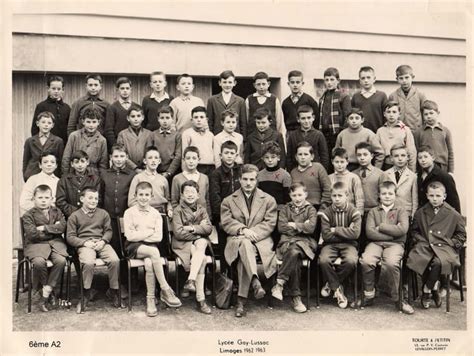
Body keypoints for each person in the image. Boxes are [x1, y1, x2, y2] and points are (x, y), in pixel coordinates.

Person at [221, 164, 278, 317]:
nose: (248, 183)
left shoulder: (268, 200)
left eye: (252, 179)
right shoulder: (228, 200)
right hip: (236, 239)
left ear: (256, 180)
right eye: (245, 179)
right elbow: (226, 222)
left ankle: (241, 301)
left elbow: (270, 223)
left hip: (261, 240)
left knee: (244, 252)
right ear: (239, 179)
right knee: (244, 245)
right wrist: (242, 230)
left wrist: (252, 233)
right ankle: (254, 281)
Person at [123, 181, 181, 317]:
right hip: (133, 248)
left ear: (151, 196)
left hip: (150, 246)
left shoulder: (156, 214)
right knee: (154, 252)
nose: (143, 198)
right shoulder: (129, 212)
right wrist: (148, 233)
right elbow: (130, 236)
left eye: (147, 195)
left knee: (149, 263)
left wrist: (140, 234)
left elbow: (158, 237)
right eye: (141, 194)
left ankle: (151, 301)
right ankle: (165, 289)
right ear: (135, 196)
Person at [407, 181, 466, 309]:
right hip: (425, 245)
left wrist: (450, 243)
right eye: (432, 196)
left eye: (438, 196)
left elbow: (461, 235)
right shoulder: (420, 212)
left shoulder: (453, 214)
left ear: (444, 196)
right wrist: (420, 240)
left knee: (438, 262)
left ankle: (427, 289)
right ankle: (434, 288)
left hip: (444, 247)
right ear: (427, 196)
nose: (434, 199)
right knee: (422, 259)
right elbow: (414, 231)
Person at [360, 181, 414, 314]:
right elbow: (370, 232)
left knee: (391, 263)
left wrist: (382, 227)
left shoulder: (401, 210)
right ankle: (369, 294)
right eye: (384, 193)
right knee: (366, 260)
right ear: (379, 195)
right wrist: (392, 235)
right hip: (375, 244)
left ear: (395, 195)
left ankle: (398, 298)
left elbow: (403, 229)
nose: (387, 196)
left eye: (390, 193)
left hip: (395, 245)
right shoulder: (373, 211)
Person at [66, 188, 123, 313]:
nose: (93, 201)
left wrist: (103, 241)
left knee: (114, 260)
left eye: (96, 198)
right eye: (90, 198)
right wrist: (85, 243)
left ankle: (113, 290)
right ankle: (86, 293)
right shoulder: (74, 216)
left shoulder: (103, 214)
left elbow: (108, 231)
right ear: (82, 199)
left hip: (101, 242)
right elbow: (70, 237)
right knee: (88, 263)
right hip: (85, 244)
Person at [270, 182, 317, 313]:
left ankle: (279, 284)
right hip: (288, 243)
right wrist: (302, 226)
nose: (297, 198)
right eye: (294, 195)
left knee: (294, 251)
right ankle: (296, 298)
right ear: (290, 195)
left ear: (306, 194)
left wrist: (293, 225)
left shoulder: (311, 209)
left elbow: (311, 228)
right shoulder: (285, 209)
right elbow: (281, 228)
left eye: (300, 194)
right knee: (294, 254)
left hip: (305, 244)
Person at [22, 184, 68, 312]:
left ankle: (47, 289)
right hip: (36, 245)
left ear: (51, 199)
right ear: (34, 199)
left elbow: (63, 227)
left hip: (56, 244)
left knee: (61, 261)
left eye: (46, 197)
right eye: (40, 197)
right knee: (38, 262)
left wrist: (44, 228)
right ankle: (47, 290)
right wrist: (54, 229)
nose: (43, 200)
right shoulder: (28, 215)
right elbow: (32, 234)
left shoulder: (57, 211)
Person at [172, 180, 213, 314]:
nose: (190, 195)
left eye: (193, 192)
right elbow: (178, 232)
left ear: (198, 195)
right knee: (202, 258)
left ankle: (191, 280)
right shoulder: (178, 210)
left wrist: (191, 228)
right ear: (182, 195)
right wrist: (198, 233)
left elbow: (208, 228)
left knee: (201, 245)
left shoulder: (202, 209)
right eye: (187, 192)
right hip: (182, 243)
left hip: (198, 242)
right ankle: (201, 300)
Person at [319, 182, 361, 309]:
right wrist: (346, 231)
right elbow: (326, 235)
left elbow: (355, 234)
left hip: (349, 244)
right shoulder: (326, 213)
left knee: (351, 261)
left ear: (346, 196)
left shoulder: (354, 212)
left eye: (340, 196)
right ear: (330, 196)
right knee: (323, 260)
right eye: (334, 196)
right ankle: (337, 287)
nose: (337, 199)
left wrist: (335, 230)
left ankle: (330, 283)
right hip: (330, 244)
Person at [100, 143, 136, 255]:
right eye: (116, 156)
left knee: (127, 245)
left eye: (122, 156)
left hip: (126, 217)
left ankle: (130, 272)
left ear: (127, 157)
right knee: (114, 245)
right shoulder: (104, 174)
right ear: (111, 157)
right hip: (109, 217)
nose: (119, 160)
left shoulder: (132, 175)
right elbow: (100, 195)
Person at [209, 141, 241, 261]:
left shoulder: (240, 171)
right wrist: (221, 217)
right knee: (224, 244)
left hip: (239, 215)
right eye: (226, 153)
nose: (229, 155)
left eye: (232, 153)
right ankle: (224, 273)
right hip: (223, 216)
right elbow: (215, 197)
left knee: (238, 243)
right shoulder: (216, 174)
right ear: (220, 155)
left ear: (236, 155)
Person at [353, 142, 384, 250]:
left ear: (372, 155)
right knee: (357, 242)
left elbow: (383, 196)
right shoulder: (353, 174)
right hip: (357, 213)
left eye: (365, 154)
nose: (362, 158)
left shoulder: (380, 174)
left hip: (373, 212)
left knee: (371, 242)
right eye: (359, 155)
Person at [56, 150, 103, 218]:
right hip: (70, 217)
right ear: (72, 164)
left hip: (90, 217)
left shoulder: (95, 180)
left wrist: (87, 212)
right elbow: (60, 202)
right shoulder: (64, 180)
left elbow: (98, 200)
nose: (80, 165)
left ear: (87, 162)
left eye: (82, 161)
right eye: (76, 162)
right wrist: (76, 213)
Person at [318, 67, 352, 162]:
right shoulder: (322, 98)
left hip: (338, 134)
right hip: (325, 134)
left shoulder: (343, 96)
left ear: (338, 81)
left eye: (332, 79)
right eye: (326, 80)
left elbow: (347, 116)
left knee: (338, 157)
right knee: (327, 158)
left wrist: (342, 133)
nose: (329, 82)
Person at [62, 107, 108, 176]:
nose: (91, 125)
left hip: (93, 175)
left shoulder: (102, 140)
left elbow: (103, 164)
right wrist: (65, 176)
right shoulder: (74, 136)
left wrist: (101, 180)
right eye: (88, 122)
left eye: (94, 122)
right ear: (83, 121)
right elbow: (66, 158)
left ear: (99, 122)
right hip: (74, 173)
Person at [128, 146, 173, 217]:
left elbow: (168, 200)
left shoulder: (163, 179)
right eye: (150, 158)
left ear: (159, 161)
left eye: (156, 158)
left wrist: (169, 209)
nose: (153, 160)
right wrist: (144, 210)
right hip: (143, 213)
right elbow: (131, 202)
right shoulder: (138, 178)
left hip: (161, 213)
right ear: (145, 161)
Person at [416, 146, 460, 213]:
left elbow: (454, 201)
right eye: (420, 158)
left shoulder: (444, 176)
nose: (423, 160)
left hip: (440, 215)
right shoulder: (418, 176)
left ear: (433, 158)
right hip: (423, 215)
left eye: (425, 157)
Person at [414, 100, 454, 173]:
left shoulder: (445, 131)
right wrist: (416, 170)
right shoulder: (418, 132)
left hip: (442, 166)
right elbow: (416, 151)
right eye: (426, 114)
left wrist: (451, 171)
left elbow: (450, 152)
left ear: (438, 113)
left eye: (431, 113)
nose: (429, 116)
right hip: (424, 167)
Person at [290, 141, 332, 212]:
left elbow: (327, 189)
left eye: (306, 154)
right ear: (296, 157)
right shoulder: (293, 172)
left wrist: (323, 207)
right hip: (299, 209)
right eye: (300, 154)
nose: (303, 157)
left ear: (312, 157)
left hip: (317, 207)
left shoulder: (318, 168)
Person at [376, 101, 417, 171]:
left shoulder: (405, 130)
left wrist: (412, 170)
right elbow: (377, 152)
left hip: (402, 165)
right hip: (386, 165)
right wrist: (377, 170)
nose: (391, 115)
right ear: (384, 114)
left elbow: (411, 151)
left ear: (399, 114)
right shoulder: (380, 131)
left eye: (394, 112)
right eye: (388, 112)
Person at [245, 71, 286, 140]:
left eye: (263, 84)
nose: (261, 87)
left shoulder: (274, 99)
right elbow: (246, 119)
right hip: (254, 137)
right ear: (254, 85)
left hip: (271, 137)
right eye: (258, 84)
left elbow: (279, 120)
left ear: (268, 84)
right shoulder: (249, 99)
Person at [286, 105, 329, 172]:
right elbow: (289, 157)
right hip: (297, 171)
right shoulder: (292, 135)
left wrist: (321, 172)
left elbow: (324, 157)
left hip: (314, 172)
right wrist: (291, 172)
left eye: (309, 118)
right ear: (298, 119)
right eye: (303, 118)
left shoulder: (319, 135)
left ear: (313, 118)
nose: (306, 121)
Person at [23, 111, 64, 181]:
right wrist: (26, 175)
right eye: (43, 122)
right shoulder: (30, 141)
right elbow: (25, 161)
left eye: (49, 123)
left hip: (51, 175)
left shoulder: (58, 141)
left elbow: (60, 161)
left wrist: (59, 176)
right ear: (37, 123)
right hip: (33, 174)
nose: (46, 125)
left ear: (53, 125)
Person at [171, 146, 211, 217]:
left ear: (199, 160)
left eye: (194, 158)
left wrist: (209, 217)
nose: (191, 161)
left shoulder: (204, 178)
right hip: (184, 218)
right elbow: (174, 202)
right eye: (188, 158)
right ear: (183, 160)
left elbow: (207, 200)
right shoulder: (177, 178)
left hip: (202, 217)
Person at [31, 75, 70, 144]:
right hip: (46, 145)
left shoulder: (67, 108)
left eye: (59, 89)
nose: (56, 91)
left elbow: (70, 128)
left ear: (63, 90)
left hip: (63, 146)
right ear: (48, 88)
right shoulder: (41, 106)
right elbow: (35, 129)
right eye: (53, 88)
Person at [382, 144, 418, 218]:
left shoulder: (413, 176)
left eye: (403, 155)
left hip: (406, 213)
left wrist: (413, 215)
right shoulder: (385, 174)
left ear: (407, 157)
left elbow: (415, 200)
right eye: (396, 156)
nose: (400, 159)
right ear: (391, 158)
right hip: (389, 213)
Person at [207, 70, 247, 136]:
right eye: (224, 82)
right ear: (220, 83)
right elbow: (210, 122)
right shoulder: (212, 100)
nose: (227, 85)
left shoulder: (240, 101)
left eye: (230, 82)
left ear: (234, 83)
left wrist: (243, 139)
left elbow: (243, 123)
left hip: (235, 136)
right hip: (217, 136)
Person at [104, 77, 139, 150]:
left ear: (131, 90)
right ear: (117, 90)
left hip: (134, 144)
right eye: (122, 88)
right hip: (119, 144)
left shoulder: (137, 107)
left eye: (127, 88)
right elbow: (109, 130)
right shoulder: (112, 108)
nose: (125, 91)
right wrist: (115, 147)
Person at [388, 65, 427, 131]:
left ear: (412, 77)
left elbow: (425, 112)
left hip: (416, 130)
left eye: (407, 77)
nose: (404, 81)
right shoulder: (393, 96)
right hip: (399, 130)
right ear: (397, 79)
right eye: (401, 78)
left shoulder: (420, 94)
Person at [328, 147, 365, 215]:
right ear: (332, 162)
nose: (339, 164)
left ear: (347, 162)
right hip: (334, 214)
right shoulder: (329, 178)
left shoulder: (353, 177)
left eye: (342, 162)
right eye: (337, 162)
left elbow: (359, 199)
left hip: (350, 214)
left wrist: (358, 214)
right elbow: (327, 198)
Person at [351, 66, 388, 133]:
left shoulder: (382, 96)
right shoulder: (356, 96)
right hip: (360, 133)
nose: (366, 80)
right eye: (363, 78)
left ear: (374, 79)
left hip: (377, 133)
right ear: (359, 81)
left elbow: (386, 117)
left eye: (368, 77)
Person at [116, 104, 153, 172]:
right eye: (133, 116)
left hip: (145, 170)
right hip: (128, 170)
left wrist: (146, 166)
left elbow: (150, 153)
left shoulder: (149, 134)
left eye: (138, 116)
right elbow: (121, 154)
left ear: (143, 117)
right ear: (128, 118)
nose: (136, 119)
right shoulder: (122, 134)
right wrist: (134, 168)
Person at [181, 106, 215, 176]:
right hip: (196, 166)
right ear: (191, 120)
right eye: (196, 117)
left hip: (210, 167)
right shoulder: (187, 133)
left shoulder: (210, 134)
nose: (199, 120)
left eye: (202, 117)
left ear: (206, 119)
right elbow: (183, 155)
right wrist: (185, 172)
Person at [257, 141, 291, 209]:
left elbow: (288, 198)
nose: (270, 160)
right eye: (267, 157)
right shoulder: (259, 175)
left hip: (280, 209)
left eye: (273, 157)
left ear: (278, 158)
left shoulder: (285, 175)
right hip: (263, 209)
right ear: (263, 158)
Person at [151, 106, 182, 180]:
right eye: (162, 118)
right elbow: (150, 153)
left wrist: (169, 172)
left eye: (167, 118)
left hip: (172, 172)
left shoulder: (177, 135)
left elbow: (178, 155)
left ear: (172, 119)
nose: (165, 121)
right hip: (156, 171)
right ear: (158, 119)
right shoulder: (153, 134)